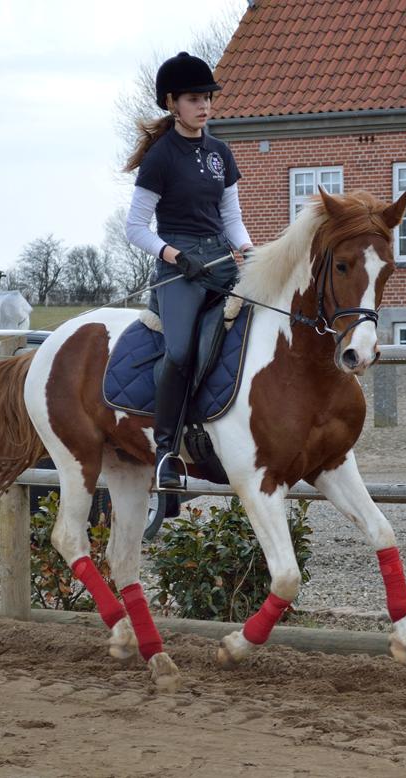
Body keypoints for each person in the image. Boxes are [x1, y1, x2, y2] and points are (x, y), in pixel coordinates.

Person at [124, 51, 254, 491]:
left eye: (207, 98)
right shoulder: (160, 157)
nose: (204, 106)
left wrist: (248, 250)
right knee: (180, 353)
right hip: (180, 271)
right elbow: (134, 228)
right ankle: (166, 451)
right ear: (172, 103)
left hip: (220, 261)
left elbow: (231, 217)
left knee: (255, 329)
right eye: (195, 99)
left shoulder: (220, 153)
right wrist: (174, 255)